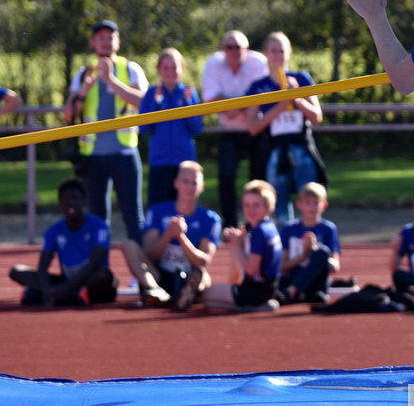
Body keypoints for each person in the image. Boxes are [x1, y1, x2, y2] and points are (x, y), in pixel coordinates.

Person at [63, 20, 148, 242]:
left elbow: (144, 104)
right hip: (93, 156)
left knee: (133, 215)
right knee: (97, 218)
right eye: (100, 37)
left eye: (110, 37)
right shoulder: (83, 73)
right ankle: (99, 271)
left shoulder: (130, 69)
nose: (106, 42)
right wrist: (85, 89)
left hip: (124, 153)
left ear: (118, 42)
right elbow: (69, 114)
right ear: (93, 42)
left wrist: (111, 79)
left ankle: (140, 272)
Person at [245, 32, 327, 224]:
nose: (277, 55)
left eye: (281, 50)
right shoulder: (258, 86)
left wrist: (296, 97)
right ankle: (285, 245)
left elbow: (316, 117)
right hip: (275, 151)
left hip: (301, 147)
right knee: (278, 201)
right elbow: (253, 127)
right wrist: (281, 104)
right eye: (273, 51)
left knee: (309, 198)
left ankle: (311, 239)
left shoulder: (302, 78)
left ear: (289, 53)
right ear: (266, 54)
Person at [122, 161, 221, 311]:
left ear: (202, 187)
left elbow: (203, 261)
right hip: (159, 273)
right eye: (185, 182)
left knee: (203, 276)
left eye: (194, 183)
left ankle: (188, 293)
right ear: (176, 184)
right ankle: (154, 289)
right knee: (129, 245)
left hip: (190, 273)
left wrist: (181, 238)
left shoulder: (211, 219)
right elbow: (150, 254)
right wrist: (168, 235)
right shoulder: (157, 212)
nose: (189, 187)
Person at [9, 178, 117, 306]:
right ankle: (71, 296)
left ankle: (60, 294)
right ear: (60, 203)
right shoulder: (53, 231)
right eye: (66, 199)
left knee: (105, 276)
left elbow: (95, 262)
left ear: (84, 201)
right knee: (16, 271)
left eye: (75, 198)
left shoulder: (99, 226)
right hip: (66, 280)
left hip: (89, 279)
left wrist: (66, 288)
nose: (71, 203)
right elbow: (43, 266)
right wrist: (46, 292)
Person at [201, 30, 270, 228]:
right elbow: (211, 101)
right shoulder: (214, 63)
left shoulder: (258, 62)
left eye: (238, 47)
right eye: (229, 47)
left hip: (255, 129)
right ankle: (229, 225)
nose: (234, 51)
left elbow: (265, 97)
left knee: (258, 179)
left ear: (247, 49)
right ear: (223, 49)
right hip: (228, 130)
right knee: (226, 176)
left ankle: (256, 226)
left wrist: (231, 104)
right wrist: (245, 103)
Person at [201, 180, 283, 312]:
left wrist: (236, 245)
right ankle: (252, 302)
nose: (250, 210)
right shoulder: (267, 226)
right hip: (269, 287)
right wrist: (237, 238)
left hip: (254, 290)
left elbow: (251, 270)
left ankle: (251, 306)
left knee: (206, 296)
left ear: (268, 207)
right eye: (247, 205)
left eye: (256, 205)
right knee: (212, 296)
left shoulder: (259, 232)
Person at [139, 48, 203, 207]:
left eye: (174, 67)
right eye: (166, 68)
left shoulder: (188, 93)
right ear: (158, 70)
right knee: (158, 207)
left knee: (184, 206)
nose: (170, 72)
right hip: (159, 161)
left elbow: (196, 128)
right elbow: (143, 128)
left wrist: (188, 104)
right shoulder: (151, 93)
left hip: (184, 162)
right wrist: (156, 103)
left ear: (181, 69)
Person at [277, 182, 342, 304]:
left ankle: (293, 292)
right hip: (293, 276)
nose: (312, 207)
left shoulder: (329, 229)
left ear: (324, 206)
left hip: (317, 281)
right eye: (308, 202)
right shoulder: (289, 229)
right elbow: (282, 267)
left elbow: (335, 266)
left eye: (316, 203)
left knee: (322, 251)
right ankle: (297, 291)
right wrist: (303, 255)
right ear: (299, 204)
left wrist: (315, 251)